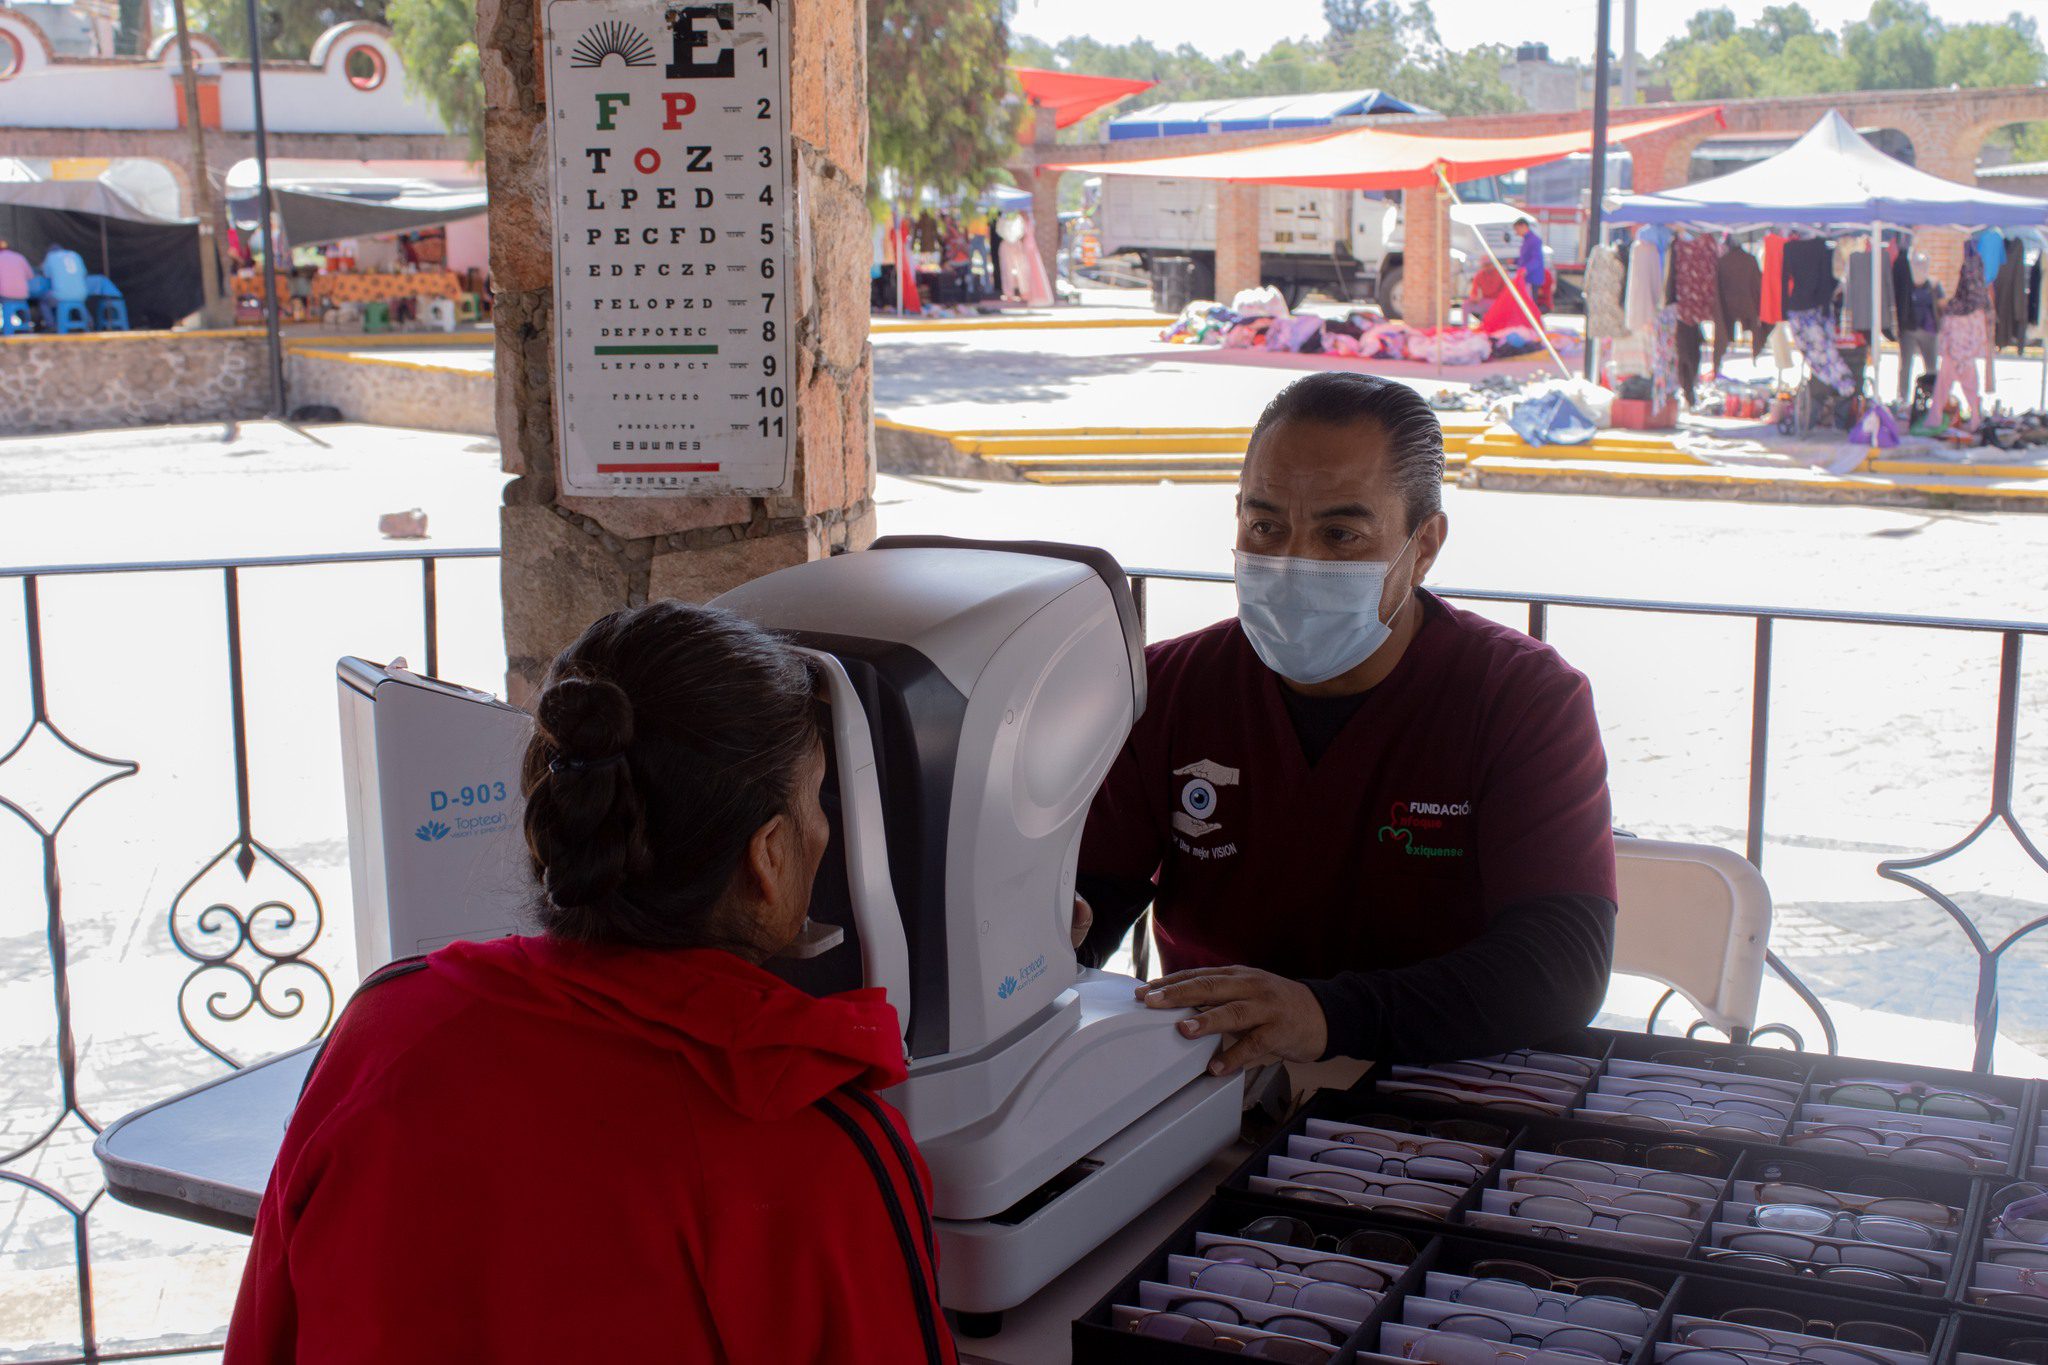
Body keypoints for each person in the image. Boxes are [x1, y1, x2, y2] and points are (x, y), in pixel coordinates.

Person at [226, 602, 955, 1364]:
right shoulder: (816, 1155)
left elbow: (265, 1339)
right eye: (815, 797)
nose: (825, 829)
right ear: (767, 856)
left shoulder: (385, 1028)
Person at [1075, 372, 1617, 1076]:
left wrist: (1327, 1015)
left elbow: (1563, 963)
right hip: (1213, 1086)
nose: (1294, 562)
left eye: (1340, 534)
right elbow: (1097, 896)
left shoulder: (1522, 698)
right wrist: (1052, 932)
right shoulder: (1170, 690)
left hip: (1443, 1093)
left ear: (1423, 546)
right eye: (1265, 525)